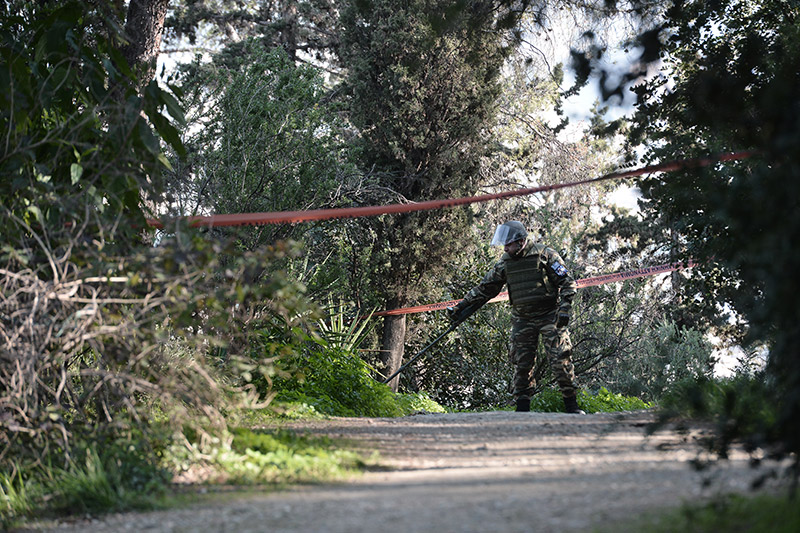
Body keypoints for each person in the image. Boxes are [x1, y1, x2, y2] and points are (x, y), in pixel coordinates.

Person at [448, 221, 585, 414]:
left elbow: (568, 282)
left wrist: (564, 310)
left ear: (521, 242)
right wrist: (460, 306)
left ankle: (572, 408)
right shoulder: (505, 263)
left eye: (508, 244)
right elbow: (485, 289)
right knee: (522, 365)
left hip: (549, 315)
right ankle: (522, 412)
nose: (505, 248)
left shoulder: (545, 255)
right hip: (522, 318)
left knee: (560, 360)